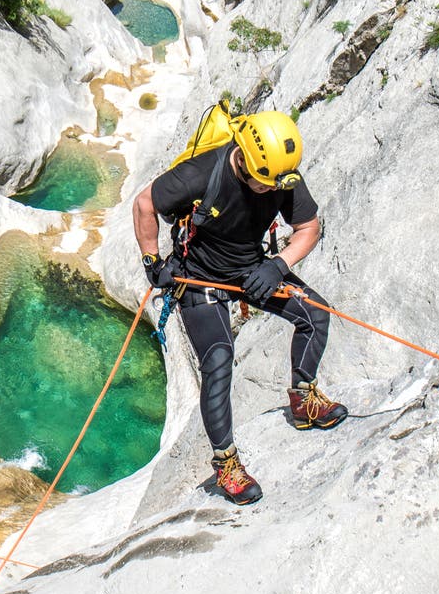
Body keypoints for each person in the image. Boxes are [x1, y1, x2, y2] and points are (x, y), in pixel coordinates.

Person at [132, 110, 347, 506]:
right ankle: (226, 464)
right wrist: (153, 263)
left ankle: (304, 401)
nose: (270, 192)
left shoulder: (279, 174)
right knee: (218, 359)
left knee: (316, 313)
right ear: (244, 159)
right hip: (200, 278)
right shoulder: (200, 175)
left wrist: (278, 265)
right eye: (264, 185)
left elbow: (308, 227)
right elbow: (145, 204)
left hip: (252, 271)